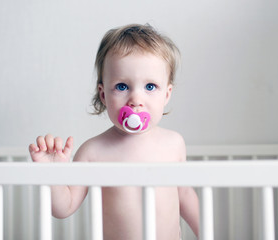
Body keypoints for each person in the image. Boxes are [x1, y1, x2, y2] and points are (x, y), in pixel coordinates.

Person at [29, 23, 199, 240]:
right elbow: (64, 208)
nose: (136, 100)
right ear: (103, 95)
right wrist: (50, 174)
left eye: (150, 87)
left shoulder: (174, 143)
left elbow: (184, 195)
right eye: (121, 86)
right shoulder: (93, 151)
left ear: (166, 94)